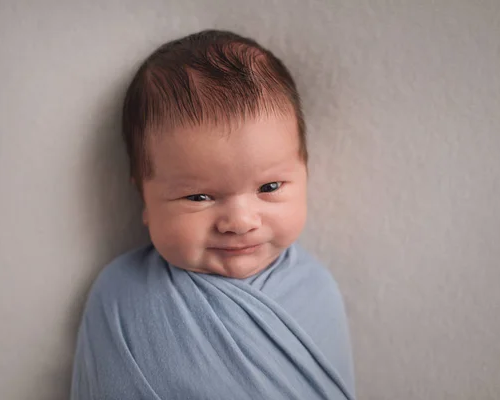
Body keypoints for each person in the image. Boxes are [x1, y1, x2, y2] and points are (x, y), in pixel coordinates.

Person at [70, 29, 355, 400]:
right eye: (199, 196)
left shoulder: (315, 288)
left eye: (269, 188)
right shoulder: (120, 293)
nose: (239, 222)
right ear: (144, 197)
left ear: (305, 174)